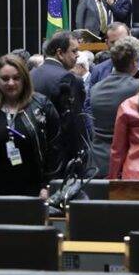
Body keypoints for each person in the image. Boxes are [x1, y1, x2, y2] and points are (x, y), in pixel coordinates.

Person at [0, 55, 61, 196]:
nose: (11, 83)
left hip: (36, 192)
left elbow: (56, 148)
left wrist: (47, 186)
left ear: (25, 79)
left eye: (16, 78)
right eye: (5, 78)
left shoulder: (42, 105)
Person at [31, 31, 87, 173]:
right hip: (60, 158)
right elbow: (74, 123)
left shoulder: (31, 75)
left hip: (35, 150)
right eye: (74, 51)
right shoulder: (67, 78)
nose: (78, 55)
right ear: (60, 53)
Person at [89, 36, 139, 177]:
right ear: (134, 62)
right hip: (126, 160)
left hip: (97, 161)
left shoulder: (95, 88)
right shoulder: (138, 87)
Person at [87, 23, 139, 91]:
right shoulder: (98, 71)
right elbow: (90, 100)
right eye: (113, 42)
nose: (118, 45)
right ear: (106, 43)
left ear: (131, 38)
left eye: (122, 40)